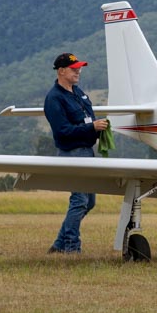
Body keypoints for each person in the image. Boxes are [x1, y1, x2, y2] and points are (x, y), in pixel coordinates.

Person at [44, 52, 109, 254]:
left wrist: (99, 129)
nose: (78, 71)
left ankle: (59, 244)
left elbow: (87, 117)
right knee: (79, 200)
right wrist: (91, 128)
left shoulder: (78, 92)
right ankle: (72, 248)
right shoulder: (53, 99)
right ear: (61, 71)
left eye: (79, 68)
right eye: (74, 68)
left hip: (87, 152)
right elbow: (63, 131)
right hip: (71, 153)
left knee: (90, 202)